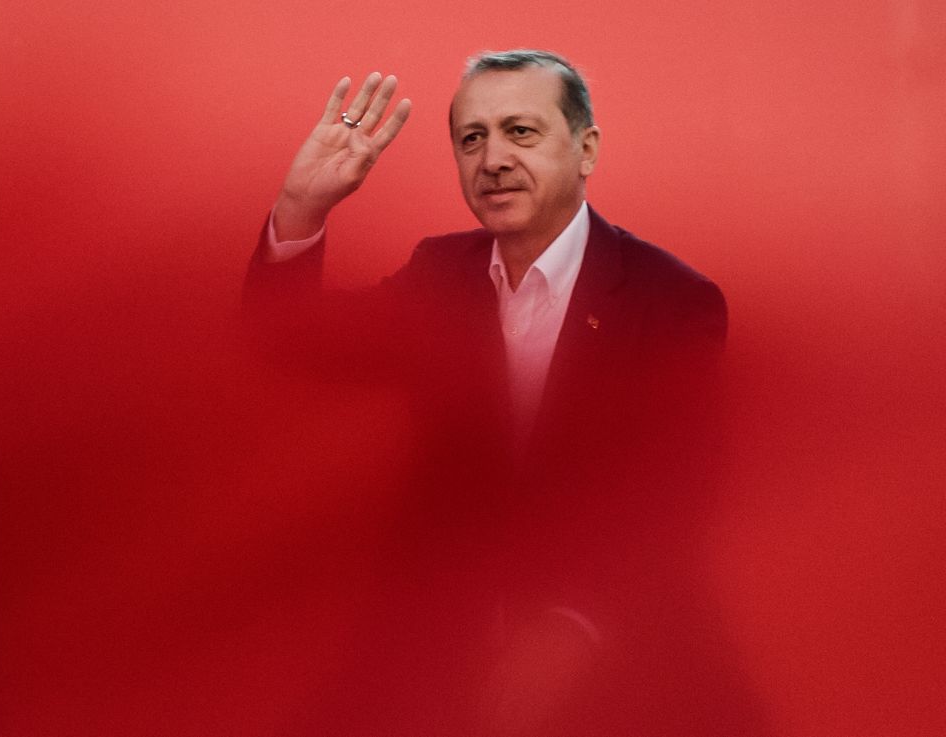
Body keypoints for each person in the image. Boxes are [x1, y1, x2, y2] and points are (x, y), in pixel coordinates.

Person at [245, 50, 767, 737]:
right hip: (440, 640)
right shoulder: (440, 274)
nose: (491, 158)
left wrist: (571, 625)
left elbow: (675, 489)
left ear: (586, 150)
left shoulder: (672, 299)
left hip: (615, 639)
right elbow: (291, 343)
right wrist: (301, 206)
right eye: (472, 137)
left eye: (520, 132)